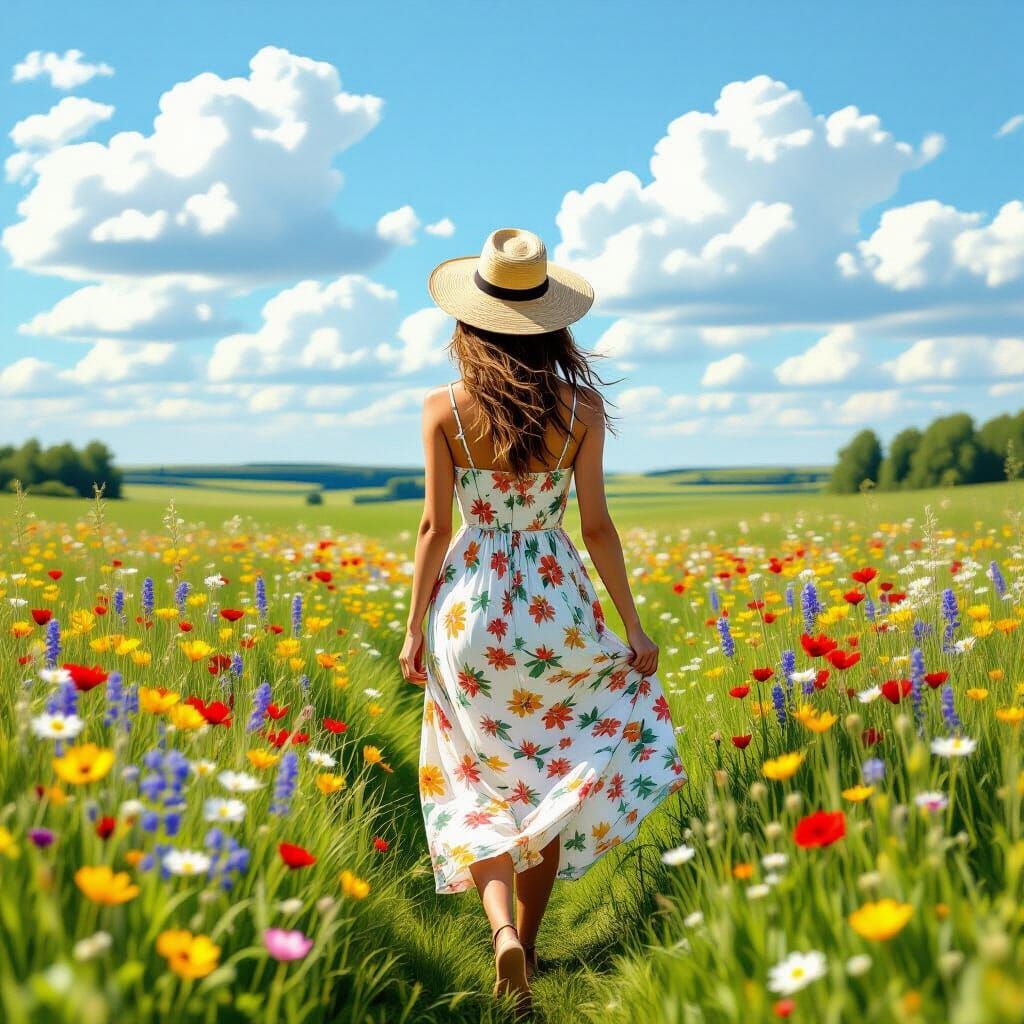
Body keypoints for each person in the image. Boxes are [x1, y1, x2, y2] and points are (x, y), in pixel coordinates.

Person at [399, 228, 687, 1017]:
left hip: (471, 610)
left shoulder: (442, 410)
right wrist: (633, 629)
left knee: (474, 774)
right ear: (552, 324)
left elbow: (431, 528)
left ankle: (501, 937)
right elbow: (597, 528)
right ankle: (533, 930)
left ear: (470, 321)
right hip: (556, 609)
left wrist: (415, 626)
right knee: (548, 772)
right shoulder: (583, 409)